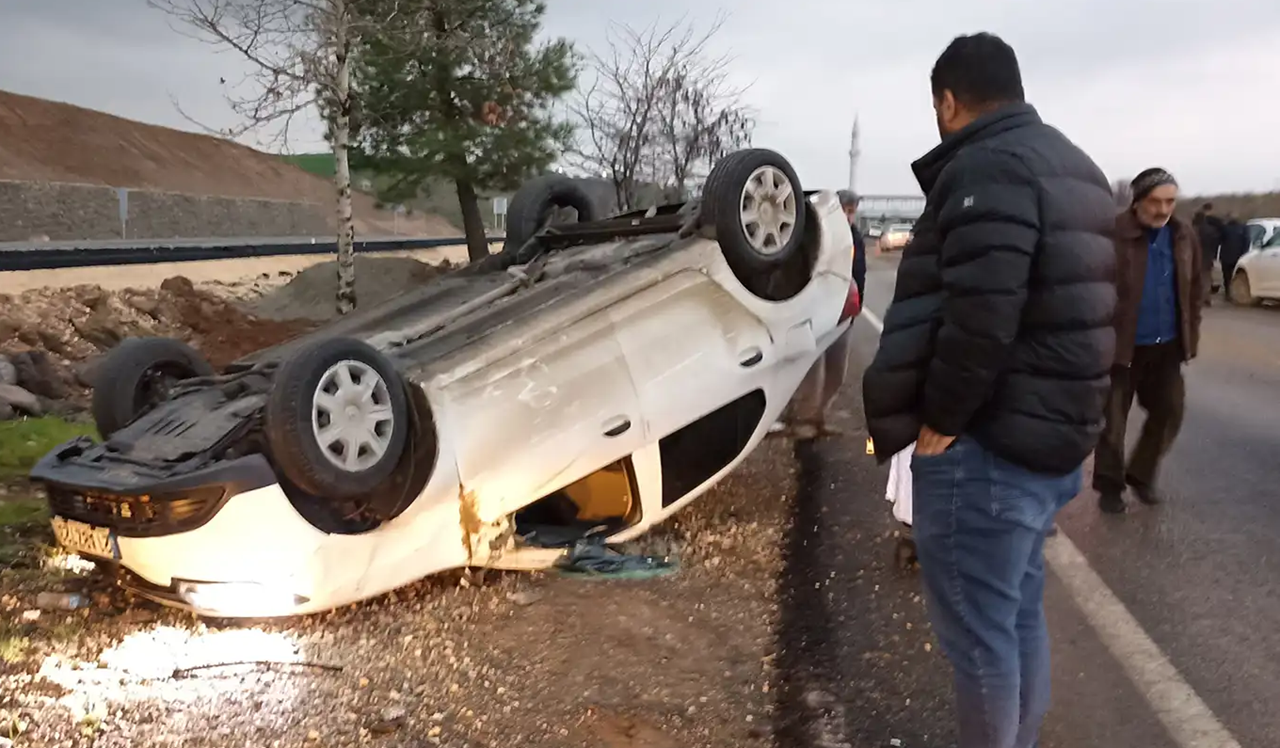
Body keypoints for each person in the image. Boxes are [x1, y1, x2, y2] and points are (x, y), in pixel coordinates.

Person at [861, 33, 1115, 748]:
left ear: (948, 100)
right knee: (1014, 617)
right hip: (1050, 440)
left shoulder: (988, 166)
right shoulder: (1075, 165)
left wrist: (942, 418)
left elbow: (982, 314)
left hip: (989, 450)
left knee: (979, 643)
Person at [1094, 169, 1203, 514]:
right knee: (1113, 423)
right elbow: (1094, 288)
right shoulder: (1113, 234)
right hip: (1121, 347)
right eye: (1155, 201)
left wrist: (1192, 332)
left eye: (1169, 201)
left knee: (1170, 411)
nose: (1162, 209)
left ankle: (1141, 474)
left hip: (1167, 345)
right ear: (1138, 201)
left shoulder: (1183, 234)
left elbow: (1196, 286)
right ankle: (1110, 487)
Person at [772, 189, 865, 440]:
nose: (848, 216)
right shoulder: (816, 235)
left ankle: (818, 415)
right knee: (811, 371)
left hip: (844, 314)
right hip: (816, 313)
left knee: (836, 373)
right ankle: (802, 421)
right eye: (845, 210)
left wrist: (857, 306)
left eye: (851, 211)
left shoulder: (855, 237)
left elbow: (860, 273)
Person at [1191, 202, 1224, 306]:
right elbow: (1217, 241)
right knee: (1206, 277)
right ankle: (1206, 297)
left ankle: (1199, 297)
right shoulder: (1212, 230)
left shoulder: (1193, 230)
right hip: (1208, 255)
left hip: (1196, 255)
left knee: (1197, 277)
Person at [1219, 213, 1251, 301]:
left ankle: (1228, 293)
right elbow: (1247, 241)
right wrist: (1244, 253)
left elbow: (1220, 240)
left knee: (1227, 276)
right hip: (1237, 255)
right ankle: (1232, 294)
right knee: (1236, 276)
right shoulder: (1243, 228)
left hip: (1226, 256)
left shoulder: (1225, 228)